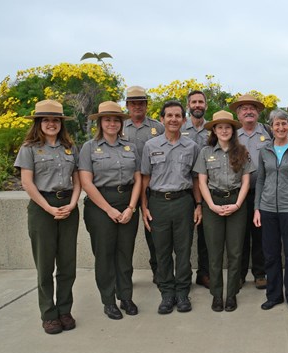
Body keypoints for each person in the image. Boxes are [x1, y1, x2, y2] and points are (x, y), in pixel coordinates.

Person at [14, 100, 81, 334]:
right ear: (38, 123)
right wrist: (49, 208)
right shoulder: (29, 149)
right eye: (46, 120)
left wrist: (73, 203)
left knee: (67, 264)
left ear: (61, 124)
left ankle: (64, 310)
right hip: (43, 207)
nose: (51, 124)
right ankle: (49, 314)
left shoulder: (70, 148)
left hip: (68, 207)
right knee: (45, 265)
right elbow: (27, 183)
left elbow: (77, 178)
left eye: (55, 120)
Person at [79, 101, 141, 320]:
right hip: (100, 206)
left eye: (116, 119)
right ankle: (108, 300)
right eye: (108, 119)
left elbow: (138, 179)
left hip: (127, 202)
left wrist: (132, 207)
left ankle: (126, 297)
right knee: (104, 255)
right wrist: (109, 210)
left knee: (125, 254)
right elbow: (86, 183)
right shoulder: (89, 147)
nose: (112, 123)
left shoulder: (130, 146)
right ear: (100, 122)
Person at [140, 100, 202, 315]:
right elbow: (145, 179)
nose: (173, 119)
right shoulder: (151, 145)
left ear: (183, 120)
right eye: (169, 116)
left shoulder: (192, 147)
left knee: (184, 251)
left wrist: (198, 205)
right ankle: (167, 293)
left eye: (178, 116)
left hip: (183, 201)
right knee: (162, 251)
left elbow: (195, 180)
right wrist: (143, 207)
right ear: (162, 119)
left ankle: (183, 292)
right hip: (158, 203)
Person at [194, 110, 253, 312]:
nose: (224, 130)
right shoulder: (205, 152)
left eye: (228, 127)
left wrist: (237, 204)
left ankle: (232, 294)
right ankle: (217, 295)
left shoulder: (242, 151)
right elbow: (201, 181)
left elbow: (246, 181)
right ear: (214, 130)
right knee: (215, 252)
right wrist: (210, 205)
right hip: (213, 204)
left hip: (237, 203)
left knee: (235, 252)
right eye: (220, 127)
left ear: (233, 130)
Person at [254, 109, 288, 314]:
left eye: (284, 124)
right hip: (267, 209)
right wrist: (257, 208)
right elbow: (260, 180)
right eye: (277, 124)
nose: (281, 128)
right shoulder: (265, 150)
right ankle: (274, 295)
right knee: (271, 255)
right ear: (271, 127)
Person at [122, 86, 165, 284]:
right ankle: (124, 275)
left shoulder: (158, 127)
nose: (137, 106)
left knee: (154, 231)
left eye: (141, 103)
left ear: (147, 105)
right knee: (125, 235)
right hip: (127, 187)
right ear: (127, 105)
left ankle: (158, 270)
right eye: (133, 103)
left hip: (152, 185)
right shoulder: (120, 127)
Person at [232, 94, 270, 289]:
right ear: (238, 114)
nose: (249, 111)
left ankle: (260, 272)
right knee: (239, 235)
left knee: (260, 234)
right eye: (244, 108)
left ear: (258, 112)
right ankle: (239, 274)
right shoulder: (232, 133)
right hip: (237, 193)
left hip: (262, 192)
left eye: (252, 108)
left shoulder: (267, 132)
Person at [181, 90, 211, 289]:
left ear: (206, 106)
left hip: (207, 190)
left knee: (205, 236)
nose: (198, 105)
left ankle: (204, 273)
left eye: (201, 102)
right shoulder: (179, 127)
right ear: (188, 105)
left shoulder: (213, 129)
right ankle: (183, 275)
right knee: (183, 237)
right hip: (184, 189)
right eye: (194, 102)